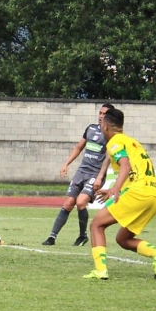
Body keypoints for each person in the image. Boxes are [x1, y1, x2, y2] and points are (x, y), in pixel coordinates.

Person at [83, 108, 156, 280]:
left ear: (106, 127)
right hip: (154, 195)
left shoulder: (114, 142)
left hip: (138, 192)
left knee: (96, 225)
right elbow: (134, 171)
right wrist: (118, 189)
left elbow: (125, 165)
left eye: (101, 125)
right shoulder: (132, 142)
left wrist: (116, 187)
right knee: (123, 239)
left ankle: (101, 271)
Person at [42, 104, 114, 246]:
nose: (100, 116)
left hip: (95, 173)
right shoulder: (91, 128)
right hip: (81, 171)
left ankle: (82, 236)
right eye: (99, 113)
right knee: (68, 203)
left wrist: (100, 177)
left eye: (104, 114)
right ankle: (52, 237)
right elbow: (79, 147)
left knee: (81, 202)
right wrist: (66, 164)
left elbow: (108, 157)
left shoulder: (110, 134)